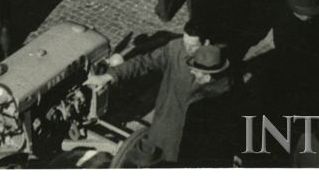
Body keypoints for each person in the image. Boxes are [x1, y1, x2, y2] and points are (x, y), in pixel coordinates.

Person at [87, 24, 225, 166]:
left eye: (193, 46)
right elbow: (145, 62)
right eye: (185, 43)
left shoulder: (222, 79)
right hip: (164, 126)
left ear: (207, 43)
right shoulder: (175, 48)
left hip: (190, 142)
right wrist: (109, 76)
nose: (187, 49)